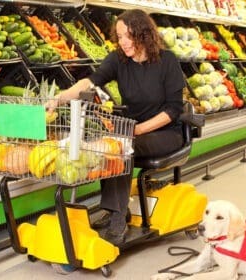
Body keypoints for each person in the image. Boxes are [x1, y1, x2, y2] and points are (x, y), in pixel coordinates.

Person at [46, 9, 185, 245]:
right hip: (130, 131)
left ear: (143, 34)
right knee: (111, 144)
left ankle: (118, 216)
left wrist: (139, 130)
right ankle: (115, 210)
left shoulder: (167, 61)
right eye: (119, 37)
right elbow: (89, 82)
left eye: (127, 36)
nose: (123, 42)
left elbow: (173, 110)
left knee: (121, 146)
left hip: (166, 132)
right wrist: (59, 99)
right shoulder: (118, 59)